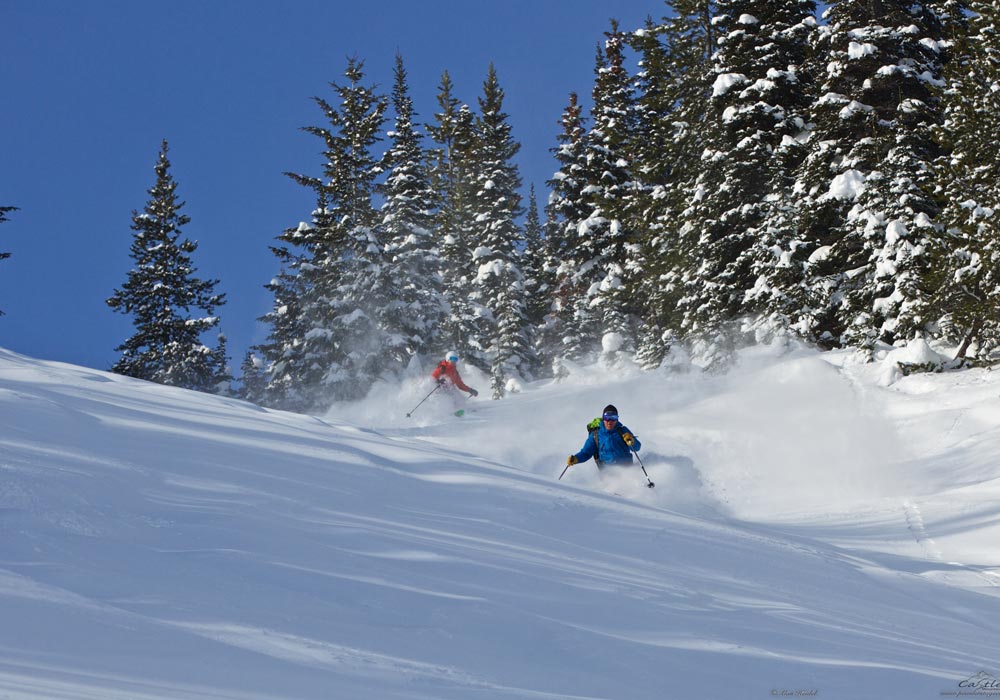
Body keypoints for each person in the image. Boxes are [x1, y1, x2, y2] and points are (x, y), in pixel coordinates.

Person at [566, 404, 641, 471]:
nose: (610, 421)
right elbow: (586, 453)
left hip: (628, 469)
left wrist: (632, 441)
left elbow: (637, 447)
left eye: (613, 418)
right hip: (608, 474)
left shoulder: (622, 431)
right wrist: (576, 459)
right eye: (607, 417)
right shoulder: (595, 435)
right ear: (603, 418)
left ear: (617, 419)